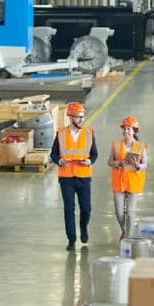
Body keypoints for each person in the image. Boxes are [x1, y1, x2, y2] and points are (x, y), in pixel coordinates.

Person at [50, 101, 98, 251]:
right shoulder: (61, 133)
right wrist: (59, 160)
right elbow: (54, 154)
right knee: (69, 209)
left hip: (83, 177)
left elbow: (94, 154)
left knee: (86, 209)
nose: (81, 120)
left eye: (82, 117)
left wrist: (89, 161)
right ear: (70, 118)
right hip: (67, 178)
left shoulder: (89, 133)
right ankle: (71, 239)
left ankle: (83, 227)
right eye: (78, 117)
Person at [107, 116, 147, 240]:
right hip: (119, 183)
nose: (126, 131)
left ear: (134, 131)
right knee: (119, 212)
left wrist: (138, 166)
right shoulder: (116, 145)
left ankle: (128, 237)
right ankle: (126, 230)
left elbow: (145, 164)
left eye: (129, 129)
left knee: (130, 212)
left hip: (133, 183)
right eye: (125, 129)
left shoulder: (141, 147)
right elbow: (109, 161)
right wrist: (118, 163)